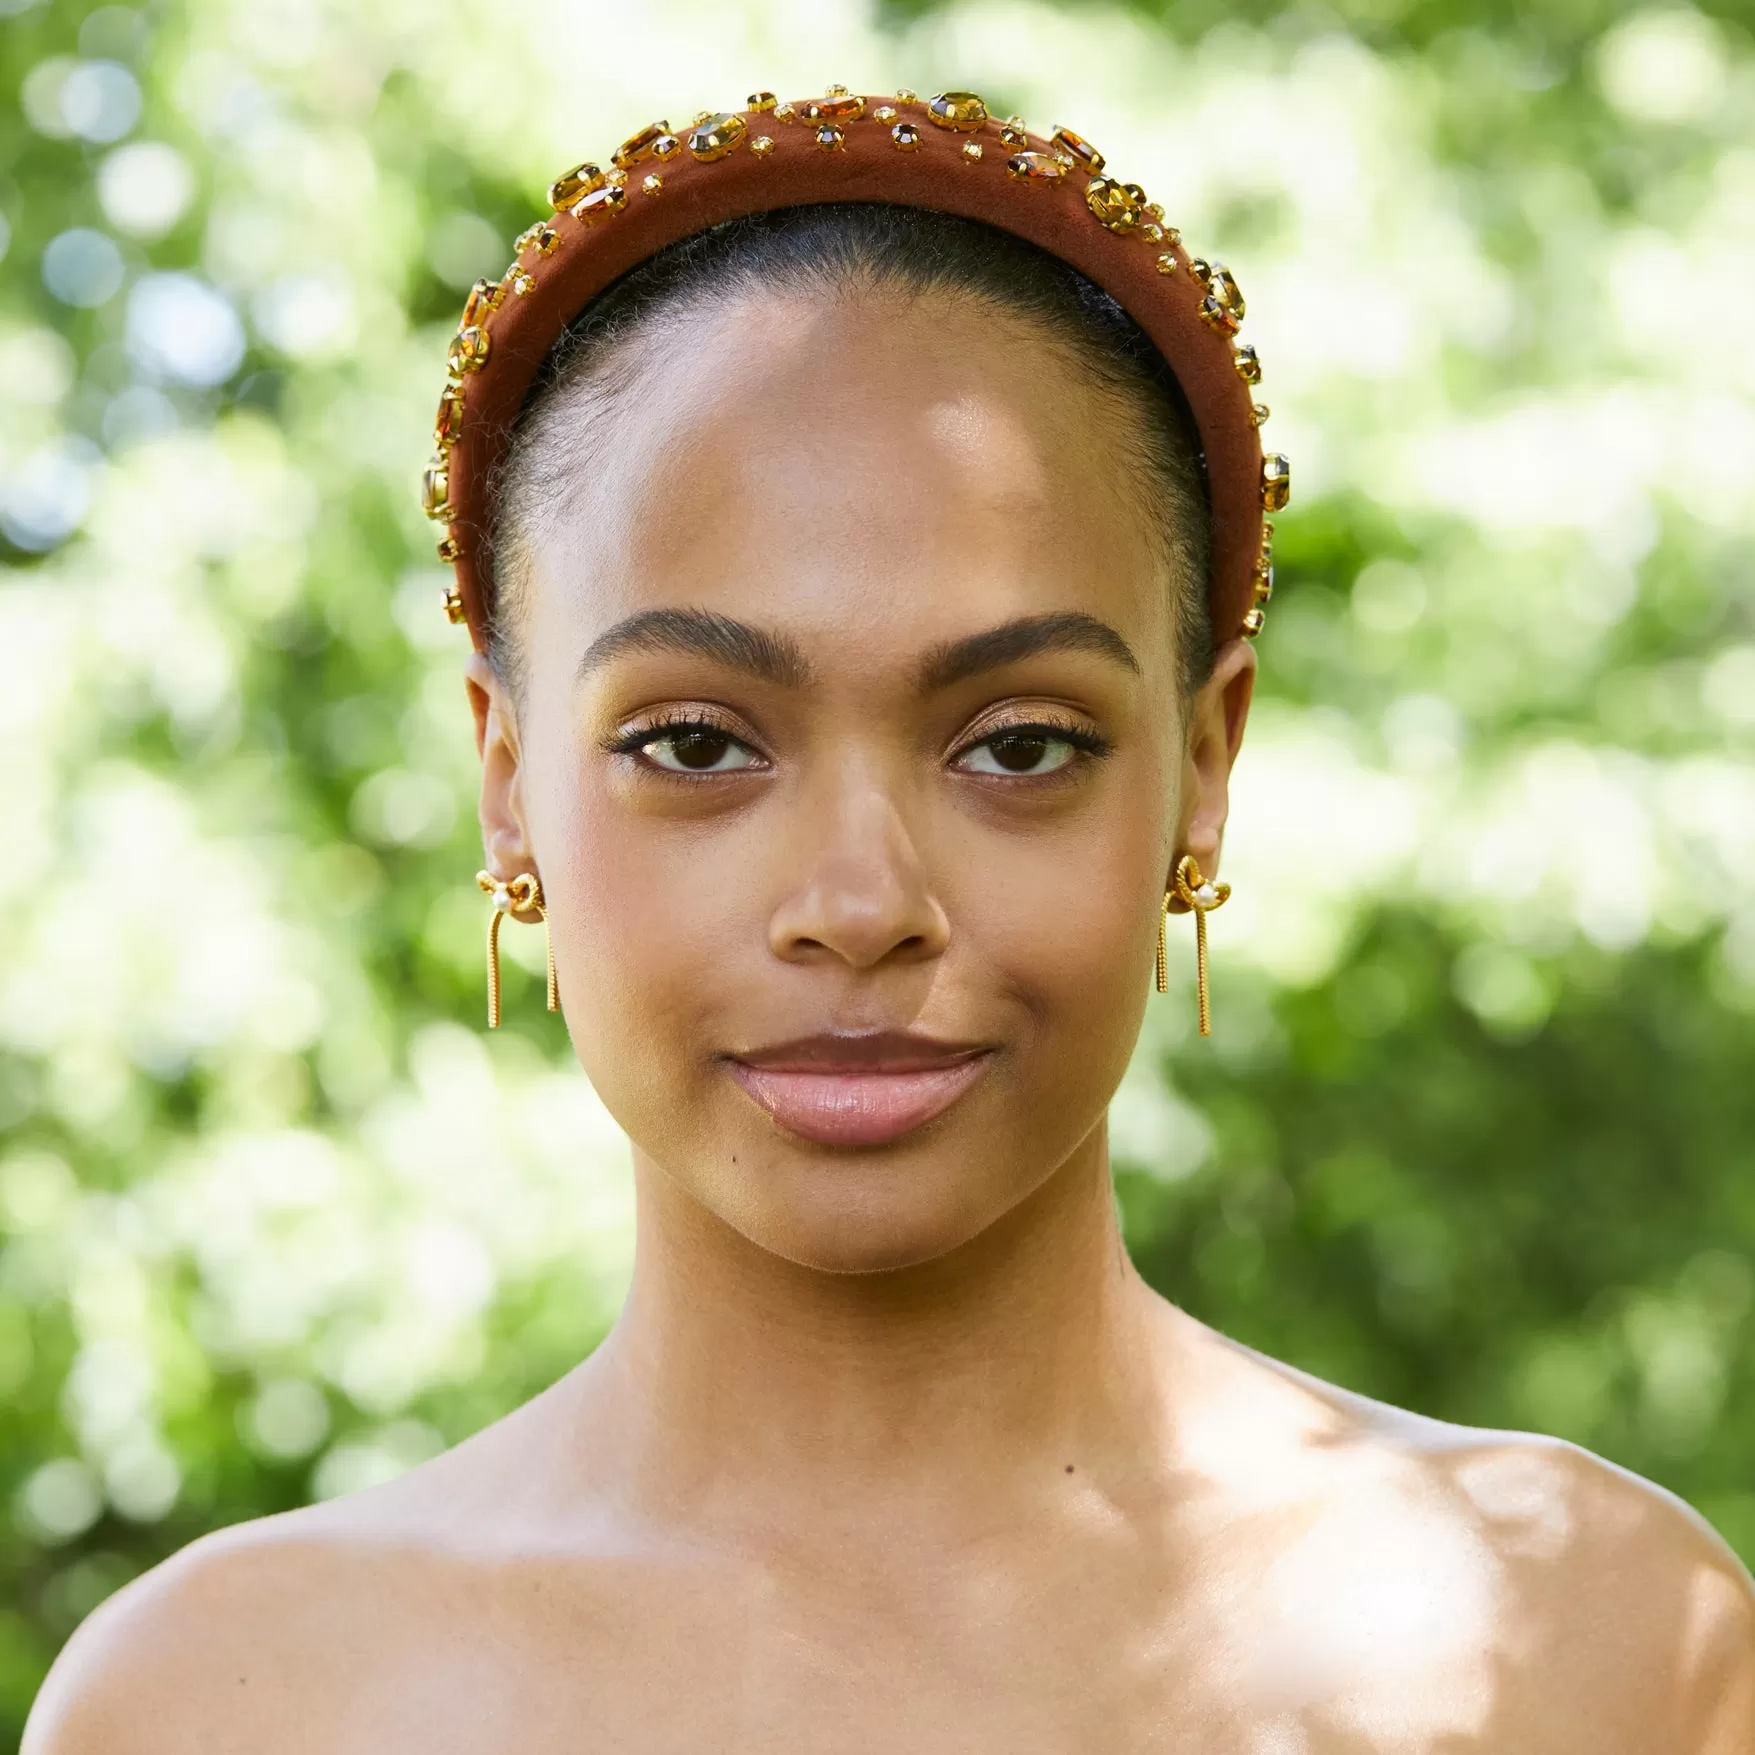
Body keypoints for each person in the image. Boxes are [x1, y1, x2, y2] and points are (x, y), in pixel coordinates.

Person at [26, 87, 1755, 1754]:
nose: (861, 905)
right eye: (694, 743)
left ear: (1200, 768)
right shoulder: (218, 1706)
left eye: (1017, 745)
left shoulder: (1585, 1640)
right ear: (504, 783)